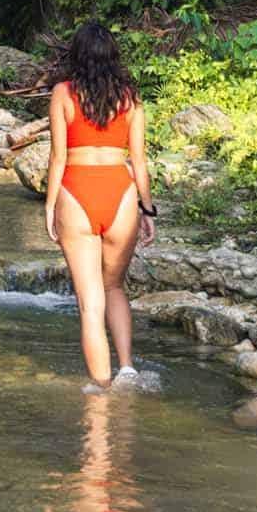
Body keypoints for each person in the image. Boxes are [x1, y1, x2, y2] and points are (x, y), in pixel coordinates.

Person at [44, 19, 155, 386]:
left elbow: (58, 157)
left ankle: (103, 390)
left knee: (91, 304)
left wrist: (49, 206)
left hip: (76, 192)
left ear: (77, 55)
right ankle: (127, 369)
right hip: (120, 194)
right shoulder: (130, 96)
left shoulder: (63, 93)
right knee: (114, 288)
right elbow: (139, 160)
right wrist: (147, 209)